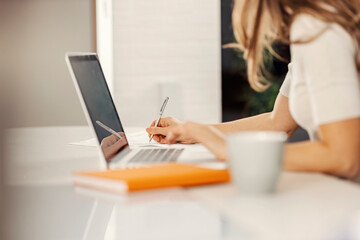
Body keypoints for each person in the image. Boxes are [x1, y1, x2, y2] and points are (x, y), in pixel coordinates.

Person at [146, 0, 360, 180]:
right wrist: (193, 132)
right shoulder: (311, 25)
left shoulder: (315, 28)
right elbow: (277, 123)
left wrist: (233, 151)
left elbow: (343, 157)